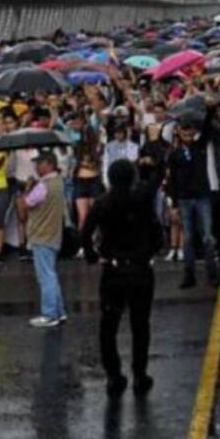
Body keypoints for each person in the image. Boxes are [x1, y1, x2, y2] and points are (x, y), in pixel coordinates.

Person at [81, 158, 164, 396]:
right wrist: (151, 250)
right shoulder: (142, 200)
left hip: (114, 270)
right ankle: (140, 373)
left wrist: (93, 256)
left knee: (108, 326)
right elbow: (156, 231)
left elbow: (86, 232)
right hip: (140, 269)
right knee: (140, 325)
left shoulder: (102, 203)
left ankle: (113, 375)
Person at [166, 117, 220, 290]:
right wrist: (173, 204)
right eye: (184, 130)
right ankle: (188, 275)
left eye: (190, 130)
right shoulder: (174, 155)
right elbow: (172, 181)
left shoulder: (200, 147)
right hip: (184, 199)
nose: (188, 134)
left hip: (202, 197)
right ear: (179, 133)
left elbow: (207, 129)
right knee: (188, 238)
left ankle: (212, 274)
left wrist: (209, 110)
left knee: (207, 237)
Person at [21, 150, 67, 328]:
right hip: (54, 234)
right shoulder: (59, 182)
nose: (36, 167)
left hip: (41, 234)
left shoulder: (43, 186)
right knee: (51, 275)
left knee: (46, 276)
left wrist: (27, 189)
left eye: (39, 163)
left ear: (48, 164)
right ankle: (59, 311)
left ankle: (49, 314)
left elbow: (26, 204)